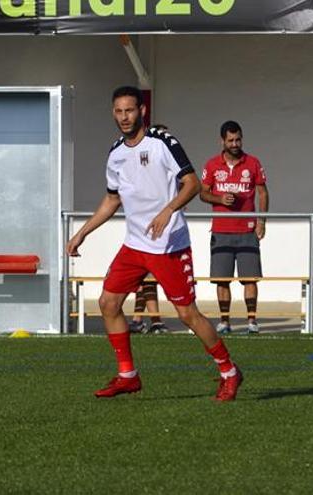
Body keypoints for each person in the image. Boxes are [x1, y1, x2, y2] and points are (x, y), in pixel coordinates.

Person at [66, 86, 243, 401]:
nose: (124, 117)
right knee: (108, 304)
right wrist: (84, 232)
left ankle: (229, 371)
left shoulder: (163, 143)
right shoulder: (116, 152)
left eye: (129, 110)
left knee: (187, 315)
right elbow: (112, 199)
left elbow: (192, 184)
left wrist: (168, 209)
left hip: (168, 246)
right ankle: (127, 375)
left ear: (142, 111)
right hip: (135, 245)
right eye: (118, 111)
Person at [200, 121, 269, 335]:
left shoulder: (253, 163)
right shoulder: (212, 165)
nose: (235, 143)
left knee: (250, 278)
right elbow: (202, 193)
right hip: (221, 230)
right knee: (222, 279)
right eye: (230, 140)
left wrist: (261, 221)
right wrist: (220, 198)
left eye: (238, 139)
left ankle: (251, 321)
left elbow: (263, 193)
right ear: (222, 141)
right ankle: (225, 321)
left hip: (247, 230)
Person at [128, 123, 171, 336]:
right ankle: (150, 320)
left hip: (164, 230)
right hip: (143, 228)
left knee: (148, 276)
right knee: (144, 276)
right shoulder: (141, 156)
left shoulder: (170, 161)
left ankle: (143, 320)